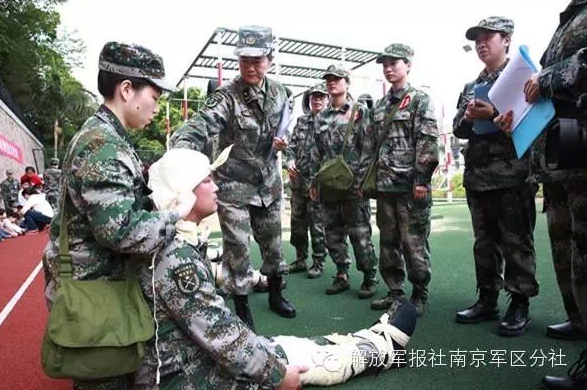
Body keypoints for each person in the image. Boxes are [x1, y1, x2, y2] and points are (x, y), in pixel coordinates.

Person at [135, 146, 419, 389]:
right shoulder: (177, 258)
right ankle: (382, 346)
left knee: (279, 345)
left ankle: (362, 342)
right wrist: (277, 375)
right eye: (207, 180)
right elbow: (222, 335)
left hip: (181, 360)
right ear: (184, 193)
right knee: (297, 361)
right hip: (184, 377)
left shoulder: (172, 242)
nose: (217, 186)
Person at [41, 41, 193, 390]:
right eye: (154, 97)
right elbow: (121, 232)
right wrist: (176, 214)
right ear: (126, 90)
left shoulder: (104, 136)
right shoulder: (103, 146)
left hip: (99, 288)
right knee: (104, 377)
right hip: (95, 292)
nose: (157, 108)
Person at [169, 25, 296, 331]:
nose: (250, 67)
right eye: (244, 60)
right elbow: (201, 124)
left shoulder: (281, 93)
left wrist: (284, 143)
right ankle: (241, 307)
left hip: (268, 184)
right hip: (233, 186)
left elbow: (285, 128)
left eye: (258, 60)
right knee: (237, 248)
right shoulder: (226, 97)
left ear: (270, 60)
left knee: (273, 246)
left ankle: (276, 295)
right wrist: (182, 150)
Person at [494, 0, 587, 387]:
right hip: (563, 153)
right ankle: (580, 320)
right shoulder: (571, 16)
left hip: (579, 149)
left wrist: (544, 79)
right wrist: (515, 115)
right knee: (567, 247)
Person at [452, 17, 539, 337]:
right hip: (478, 175)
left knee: (516, 241)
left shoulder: (523, 79)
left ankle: (519, 303)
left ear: (506, 40)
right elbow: (458, 129)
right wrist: (468, 116)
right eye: (477, 39)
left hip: (512, 174)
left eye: (488, 37)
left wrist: (493, 114)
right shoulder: (471, 87)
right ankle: (487, 298)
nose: (481, 44)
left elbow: (535, 121)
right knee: (484, 243)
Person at [367, 43, 439, 316]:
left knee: (414, 243)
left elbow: (427, 141)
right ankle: (395, 291)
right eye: (385, 65)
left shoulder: (419, 100)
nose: (388, 69)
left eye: (394, 63)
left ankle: (419, 293)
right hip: (385, 187)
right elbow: (371, 147)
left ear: (408, 65)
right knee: (388, 243)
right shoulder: (379, 106)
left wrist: (421, 180)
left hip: (411, 188)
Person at [308, 64, 378, 300]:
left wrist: (362, 182)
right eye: (329, 79)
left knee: (359, 233)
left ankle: (369, 276)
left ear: (347, 83)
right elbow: (315, 151)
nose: (332, 82)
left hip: (353, 185)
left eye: (337, 79)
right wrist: (314, 182)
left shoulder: (360, 112)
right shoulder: (321, 117)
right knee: (333, 234)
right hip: (329, 184)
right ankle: (341, 274)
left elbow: (368, 148)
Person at [285, 82, 329, 279]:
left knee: (317, 224)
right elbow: (292, 146)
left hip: (318, 184)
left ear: (327, 99)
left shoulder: (331, 121)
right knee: (297, 223)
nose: (317, 100)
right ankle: (300, 258)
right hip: (298, 182)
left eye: (321, 96)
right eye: (314, 97)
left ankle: (319, 261)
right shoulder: (302, 121)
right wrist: (290, 160)